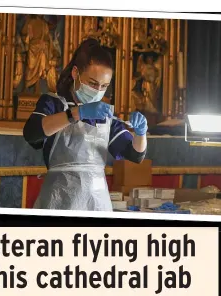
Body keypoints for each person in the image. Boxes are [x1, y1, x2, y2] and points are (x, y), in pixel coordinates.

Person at [22, 38, 148, 211]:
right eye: (92, 83)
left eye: (104, 86)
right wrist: (77, 113)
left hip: (97, 204)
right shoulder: (53, 104)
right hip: (58, 201)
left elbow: (135, 154)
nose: (97, 91)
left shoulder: (104, 115)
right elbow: (32, 133)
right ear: (75, 73)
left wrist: (141, 133)